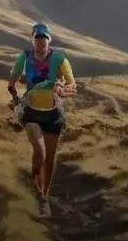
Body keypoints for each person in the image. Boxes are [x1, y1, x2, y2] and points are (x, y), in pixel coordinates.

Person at [7, 22, 76, 217]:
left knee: (50, 158)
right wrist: (15, 96)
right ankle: (36, 188)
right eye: (37, 37)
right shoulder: (25, 57)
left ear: (49, 40)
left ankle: (44, 196)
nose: (40, 41)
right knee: (40, 150)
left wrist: (63, 89)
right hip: (31, 112)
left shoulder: (60, 59)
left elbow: (72, 85)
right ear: (33, 39)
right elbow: (12, 81)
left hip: (53, 113)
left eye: (44, 37)